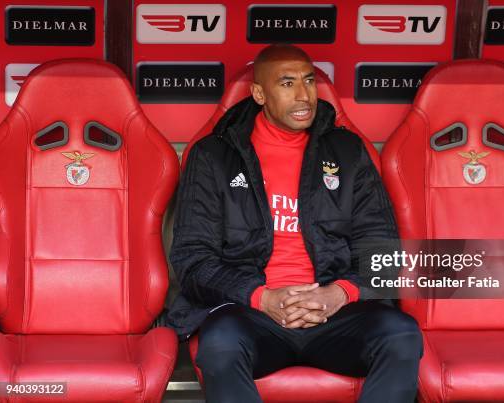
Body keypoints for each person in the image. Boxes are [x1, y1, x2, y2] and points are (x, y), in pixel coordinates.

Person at [168, 44, 422, 402]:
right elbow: (193, 260)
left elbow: (381, 248)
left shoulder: (347, 151)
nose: (303, 95)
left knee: (401, 334)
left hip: (334, 313)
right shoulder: (214, 156)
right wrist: (262, 297)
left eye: (308, 81)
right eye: (286, 83)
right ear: (259, 93)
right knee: (220, 342)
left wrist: (338, 294)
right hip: (252, 313)